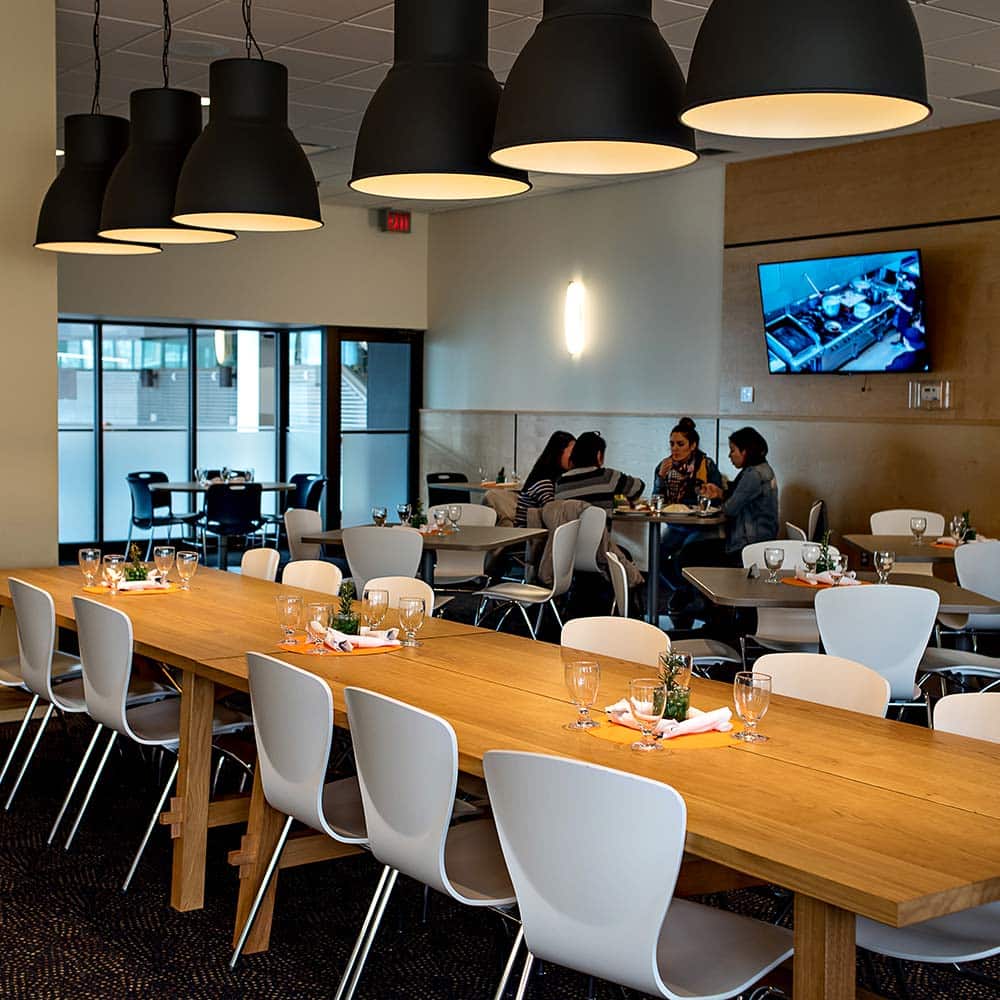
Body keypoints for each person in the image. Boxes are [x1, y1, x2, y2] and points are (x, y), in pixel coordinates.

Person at [554, 431, 644, 515]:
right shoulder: (607, 476)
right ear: (599, 455)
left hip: (568, 532)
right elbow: (638, 488)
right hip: (600, 532)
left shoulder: (560, 483)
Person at [652, 417, 722, 505]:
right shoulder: (663, 465)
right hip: (670, 516)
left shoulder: (706, 465)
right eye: (672, 444)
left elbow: (717, 500)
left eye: (680, 444)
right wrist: (660, 477)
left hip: (698, 516)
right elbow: (655, 501)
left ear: (693, 445)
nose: (674, 448)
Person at [514, 431, 575, 527]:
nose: (575, 457)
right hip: (527, 537)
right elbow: (554, 517)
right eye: (572, 452)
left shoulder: (551, 478)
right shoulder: (544, 483)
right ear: (558, 453)